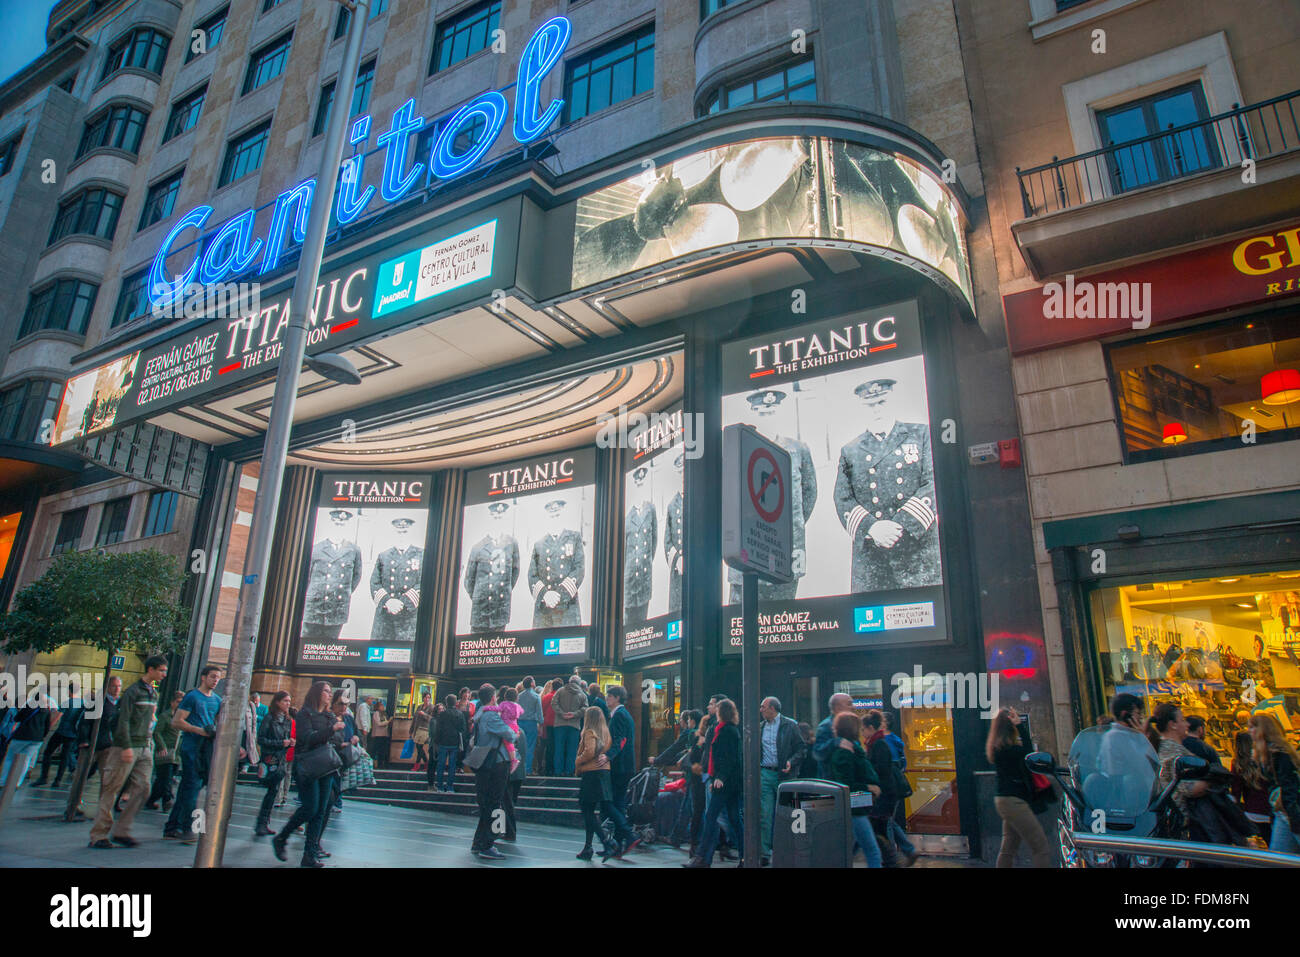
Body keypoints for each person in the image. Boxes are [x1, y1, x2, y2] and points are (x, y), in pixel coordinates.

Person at [89, 655, 166, 849]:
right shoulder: (133, 691)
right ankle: (99, 834)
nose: (164, 674)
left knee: (143, 788)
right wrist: (126, 746)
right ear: (151, 670)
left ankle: (122, 830)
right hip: (127, 746)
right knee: (111, 789)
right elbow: (123, 720)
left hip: (145, 746)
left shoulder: (153, 693)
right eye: (161, 670)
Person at [273, 680, 344, 868]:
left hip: (326, 766)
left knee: (321, 810)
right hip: (309, 765)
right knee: (310, 807)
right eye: (326, 691)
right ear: (317, 693)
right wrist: (331, 730)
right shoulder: (305, 714)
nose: (329, 694)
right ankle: (283, 836)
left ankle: (309, 854)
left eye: (330, 691)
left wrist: (335, 731)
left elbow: (337, 739)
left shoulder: (329, 716)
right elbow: (307, 738)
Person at [164, 664, 222, 843]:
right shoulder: (192, 697)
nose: (215, 680)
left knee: (189, 787)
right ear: (203, 677)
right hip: (191, 747)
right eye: (212, 676)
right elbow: (176, 722)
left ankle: (172, 826)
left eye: (218, 678)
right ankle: (189, 827)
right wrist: (199, 730)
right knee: (192, 785)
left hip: (206, 748)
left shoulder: (217, 700)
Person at [987, 706, 1051, 868]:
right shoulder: (1012, 749)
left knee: (1008, 847)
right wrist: (1020, 725)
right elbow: (1030, 755)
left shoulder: (996, 748)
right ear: (1010, 726)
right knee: (1040, 846)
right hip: (1015, 802)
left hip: (1004, 800)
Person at [685, 698, 743, 867]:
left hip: (725, 783)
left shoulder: (729, 731)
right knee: (733, 819)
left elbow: (731, 758)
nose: (714, 711)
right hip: (721, 781)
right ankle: (744, 856)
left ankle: (701, 857)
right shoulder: (719, 729)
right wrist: (713, 776)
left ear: (722, 712)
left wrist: (719, 777)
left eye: (717, 708)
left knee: (711, 817)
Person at [826, 711, 883, 867]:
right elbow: (846, 784)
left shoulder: (851, 748)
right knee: (872, 851)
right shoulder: (845, 752)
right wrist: (870, 787)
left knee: (850, 849)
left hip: (856, 804)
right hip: (854, 805)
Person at [469, 683, 516, 861]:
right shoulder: (491, 716)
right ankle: (488, 844)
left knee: (486, 803)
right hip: (496, 763)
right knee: (494, 803)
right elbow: (510, 734)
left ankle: (479, 841)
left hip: (483, 762)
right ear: (493, 697)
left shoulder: (480, 714)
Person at [1147, 703, 1211, 834]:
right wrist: (1213, 780)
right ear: (1173, 725)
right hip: (1180, 828)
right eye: (1182, 720)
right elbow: (1188, 788)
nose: (1187, 725)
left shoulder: (1164, 748)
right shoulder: (1171, 751)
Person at [757, 696, 805, 864]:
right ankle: (764, 852)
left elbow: (801, 748)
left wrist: (791, 762)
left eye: (763, 706)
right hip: (765, 773)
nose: (761, 709)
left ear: (772, 708)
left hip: (785, 775)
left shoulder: (790, 725)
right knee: (765, 813)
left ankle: (788, 849)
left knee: (787, 813)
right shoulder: (760, 727)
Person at [649, 709, 702, 848]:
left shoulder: (690, 734)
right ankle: (677, 837)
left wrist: (658, 760)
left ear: (691, 721)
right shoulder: (700, 733)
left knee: (695, 808)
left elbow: (674, 749)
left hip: (694, 776)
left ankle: (699, 841)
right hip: (696, 775)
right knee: (687, 807)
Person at [1250, 713, 1300, 854]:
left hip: (1290, 812)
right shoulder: (1267, 754)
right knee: (1278, 855)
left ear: (1262, 730)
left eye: (1253, 727)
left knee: (1278, 855)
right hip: (1284, 812)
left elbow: (1289, 787)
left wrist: (1294, 818)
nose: (1249, 730)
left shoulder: (1279, 754)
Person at [575, 705, 616, 860]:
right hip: (603, 772)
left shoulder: (589, 732)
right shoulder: (605, 732)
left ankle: (606, 842)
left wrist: (578, 761)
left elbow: (589, 752)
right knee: (590, 811)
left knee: (587, 811)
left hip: (591, 773)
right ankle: (588, 847)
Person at [603, 685, 638, 854]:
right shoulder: (623, 715)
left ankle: (627, 835)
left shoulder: (619, 716)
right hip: (625, 765)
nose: (607, 699)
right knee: (618, 803)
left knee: (611, 802)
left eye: (609, 696)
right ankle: (617, 843)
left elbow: (620, 740)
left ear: (617, 698)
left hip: (620, 766)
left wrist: (608, 755)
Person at [0, 690, 58, 790]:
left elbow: (17, 718)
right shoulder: (46, 710)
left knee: (9, 758)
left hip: (22, 736)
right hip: (37, 740)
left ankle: (3, 781)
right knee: (26, 760)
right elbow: (47, 726)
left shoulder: (29, 707)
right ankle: (17, 782)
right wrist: (42, 736)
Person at [254, 691, 293, 836]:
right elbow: (261, 739)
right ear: (277, 702)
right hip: (270, 759)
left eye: (289, 701)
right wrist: (281, 743)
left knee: (273, 791)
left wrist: (288, 743)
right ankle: (262, 822)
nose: (288, 703)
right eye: (285, 701)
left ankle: (263, 822)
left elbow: (285, 738)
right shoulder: (269, 718)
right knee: (271, 791)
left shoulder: (287, 720)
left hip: (280, 759)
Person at [881, 711, 919, 862]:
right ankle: (908, 850)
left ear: (885, 723)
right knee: (889, 820)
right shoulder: (897, 740)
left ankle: (891, 856)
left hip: (887, 786)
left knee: (887, 821)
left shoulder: (882, 742)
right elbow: (903, 764)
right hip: (897, 785)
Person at [33, 684, 82, 788]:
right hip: (73, 734)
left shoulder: (68, 702)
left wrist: (47, 728)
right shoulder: (83, 703)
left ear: (69, 691)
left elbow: (58, 716)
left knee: (48, 752)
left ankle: (44, 777)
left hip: (62, 731)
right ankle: (57, 780)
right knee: (64, 757)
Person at [145, 690, 184, 811]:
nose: (179, 705)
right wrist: (162, 746)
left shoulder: (183, 717)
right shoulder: (165, 716)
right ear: (172, 702)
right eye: (178, 702)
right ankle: (168, 799)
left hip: (176, 754)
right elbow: (157, 732)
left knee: (163, 779)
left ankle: (151, 799)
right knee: (166, 777)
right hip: (165, 752)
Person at [1230, 730, 1273, 836]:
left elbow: (1236, 792)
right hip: (1270, 810)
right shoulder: (1266, 760)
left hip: (1252, 812)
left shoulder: (1238, 764)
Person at [550, 675, 587, 776]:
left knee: (559, 748)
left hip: (559, 724)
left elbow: (553, 703)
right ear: (579, 683)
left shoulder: (560, 691)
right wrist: (574, 714)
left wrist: (561, 713)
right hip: (574, 725)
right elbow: (585, 708)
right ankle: (569, 771)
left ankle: (558, 771)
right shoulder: (582, 694)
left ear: (569, 681)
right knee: (572, 749)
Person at [481, 687, 524, 773]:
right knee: (510, 743)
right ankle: (514, 753)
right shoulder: (518, 706)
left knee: (507, 742)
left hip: (507, 725)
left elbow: (498, 709)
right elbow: (522, 712)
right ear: (516, 697)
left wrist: (487, 708)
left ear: (505, 696)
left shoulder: (504, 704)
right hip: (515, 725)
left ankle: (513, 760)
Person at [812, 693, 854, 776]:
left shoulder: (847, 725)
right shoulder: (826, 726)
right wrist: (836, 742)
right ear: (837, 708)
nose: (853, 707)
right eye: (849, 704)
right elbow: (817, 752)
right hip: (832, 782)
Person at [432, 694, 465, 793]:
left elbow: (438, 729)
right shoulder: (460, 714)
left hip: (443, 742)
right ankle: (450, 786)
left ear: (446, 703)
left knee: (441, 764)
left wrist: (437, 741)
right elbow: (463, 728)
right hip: (454, 742)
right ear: (456, 703)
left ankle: (440, 786)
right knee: (452, 765)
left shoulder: (442, 714)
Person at [518, 676, 542, 776]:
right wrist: (541, 725)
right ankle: (527, 770)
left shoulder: (519, 696)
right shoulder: (536, 696)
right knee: (530, 747)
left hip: (519, 723)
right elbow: (539, 713)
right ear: (532, 684)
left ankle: (519, 769)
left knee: (520, 747)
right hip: (531, 723)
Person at [411, 692, 434, 773]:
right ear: (423, 698)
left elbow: (431, 719)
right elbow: (415, 719)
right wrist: (411, 730)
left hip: (425, 730)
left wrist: (424, 714)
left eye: (428, 697)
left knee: (420, 747)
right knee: (418, 747)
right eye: (425, 697)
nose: (427, 699)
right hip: (418, 729)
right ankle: (426, 763)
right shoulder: (419, 707)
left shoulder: (431, 707)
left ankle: (417, 765)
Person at [369, 700, 391, 769]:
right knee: (376, 749)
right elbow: (379, 723)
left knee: (382, 750)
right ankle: (374, 764)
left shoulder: (383, 714)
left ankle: (381, 764)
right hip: (378, 735)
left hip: (384, 735)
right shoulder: (376, 713)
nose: (383, 707)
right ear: (378, 707)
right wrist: (388, 721)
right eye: (381, 706)